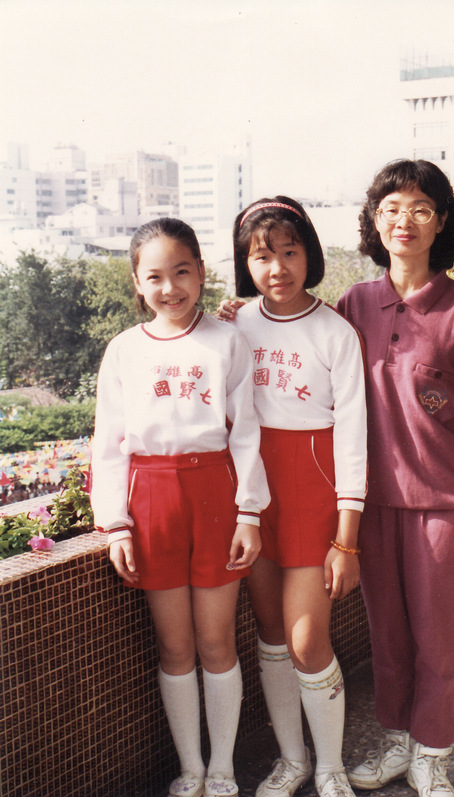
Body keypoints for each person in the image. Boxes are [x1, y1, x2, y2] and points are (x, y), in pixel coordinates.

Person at [335, 159, 454, 797]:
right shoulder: (353, 305)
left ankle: (432, 755)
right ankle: (395, 742)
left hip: (444, 503)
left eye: (419, 209)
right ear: (374, 222)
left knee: (438, 640)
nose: (403, 221)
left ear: (441, 222)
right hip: (371, 503)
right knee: (386, 636)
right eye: (390, 209)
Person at [90, 218, 270, 797]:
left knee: (216, 642)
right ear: (137, 282)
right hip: (152, 499)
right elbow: (108, 442)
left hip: (215, 491)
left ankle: (223, 768)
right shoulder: (124, 350)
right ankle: (191, 767)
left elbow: (246, 432)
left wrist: (249, 513)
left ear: (201, 271)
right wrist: (116, 525)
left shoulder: (227, 340)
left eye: (182, 272)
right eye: (155, 277)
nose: (170, 288)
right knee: (174, 646)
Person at [219, 197, 367, 797]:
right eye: (262, 257)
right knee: (272, 632)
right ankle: (292, 759)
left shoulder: (337, 332)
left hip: (314, 491)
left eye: (289, 251)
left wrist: (347, 538)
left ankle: (330, 765)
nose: (277, 267)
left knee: (307, 640)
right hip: (253, 491)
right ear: (244, 264)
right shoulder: (234, 325)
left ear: (310, 254)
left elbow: (354, 435)